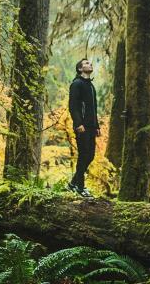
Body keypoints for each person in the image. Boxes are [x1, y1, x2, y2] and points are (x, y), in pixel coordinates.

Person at [68, 58, 99, 198]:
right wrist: (78, 123)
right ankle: (80, 187)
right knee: (83, 155)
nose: (90, 64)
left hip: (91, 127)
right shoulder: (77, 84)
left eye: (90, 63)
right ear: (80, 69)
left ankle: (73, 183)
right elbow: (73, 106)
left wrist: (96, 126)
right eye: (86, 63)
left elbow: (94, 108)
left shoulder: (91, 86)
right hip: (82, 126)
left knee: (90, 155)